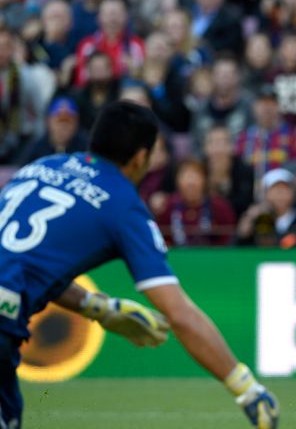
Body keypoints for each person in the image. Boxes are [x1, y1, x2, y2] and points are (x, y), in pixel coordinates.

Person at [0, 101, 278, 428]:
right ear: (141, 157)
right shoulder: (122, 205)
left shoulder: (40, 166)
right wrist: (245, 387)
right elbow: (180, 314)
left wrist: (98, 307)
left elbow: (24, 264)